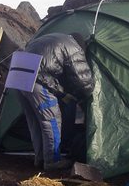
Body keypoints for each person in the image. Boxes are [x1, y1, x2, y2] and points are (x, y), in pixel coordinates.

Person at [19, 33, 94, 170]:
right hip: (36, 78)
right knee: (51, 120)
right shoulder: (75, 48)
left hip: (17, 75)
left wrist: (62, 93)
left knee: (35, 121)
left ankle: (40, 158)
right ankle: (52, 161)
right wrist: (88, 98)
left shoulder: (56, 38)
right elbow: (82, 80)